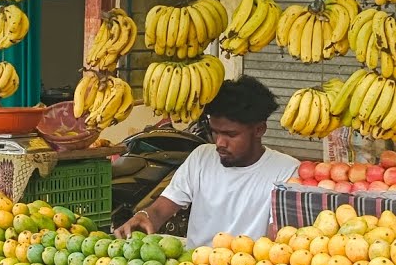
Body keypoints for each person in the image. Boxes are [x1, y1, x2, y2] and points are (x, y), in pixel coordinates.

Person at [115, 75, 298, 247]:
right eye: (215, 132)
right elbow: (160, 209)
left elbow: (277, 239)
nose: (219, 143)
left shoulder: (286, 172)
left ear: (259, 130)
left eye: (230, 134)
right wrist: (144, 216)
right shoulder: (201, 157)